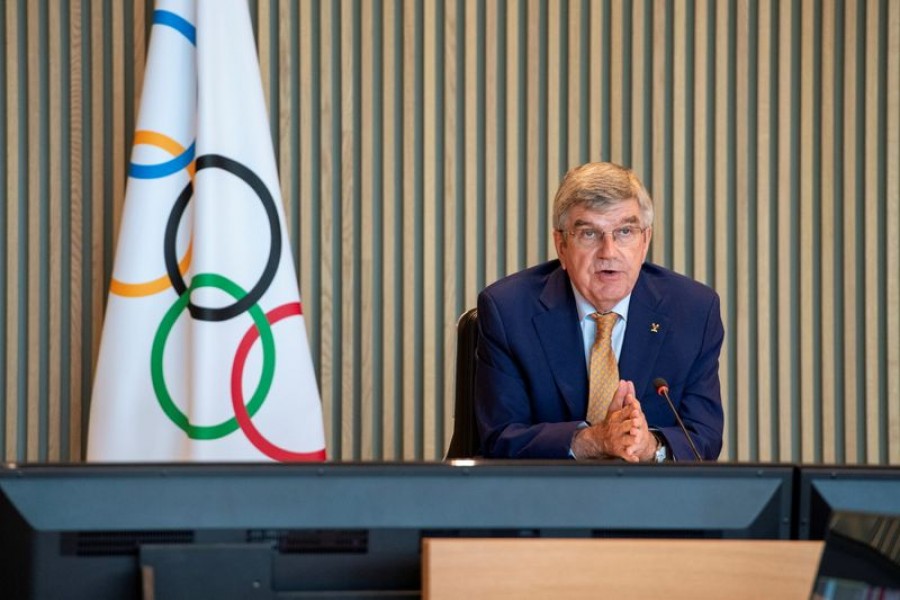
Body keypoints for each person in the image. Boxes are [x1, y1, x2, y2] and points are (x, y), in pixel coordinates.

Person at [474, 161, 724, 461]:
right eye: (589, 234)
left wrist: (650, 447)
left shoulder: (693, 312)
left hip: (651, 500)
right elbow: (500, 439)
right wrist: (593, 441)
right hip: (543, 499)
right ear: (562, 245)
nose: (609, 251)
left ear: (645, 242)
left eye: (625, 232)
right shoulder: (508, 311)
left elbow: (704, 438)